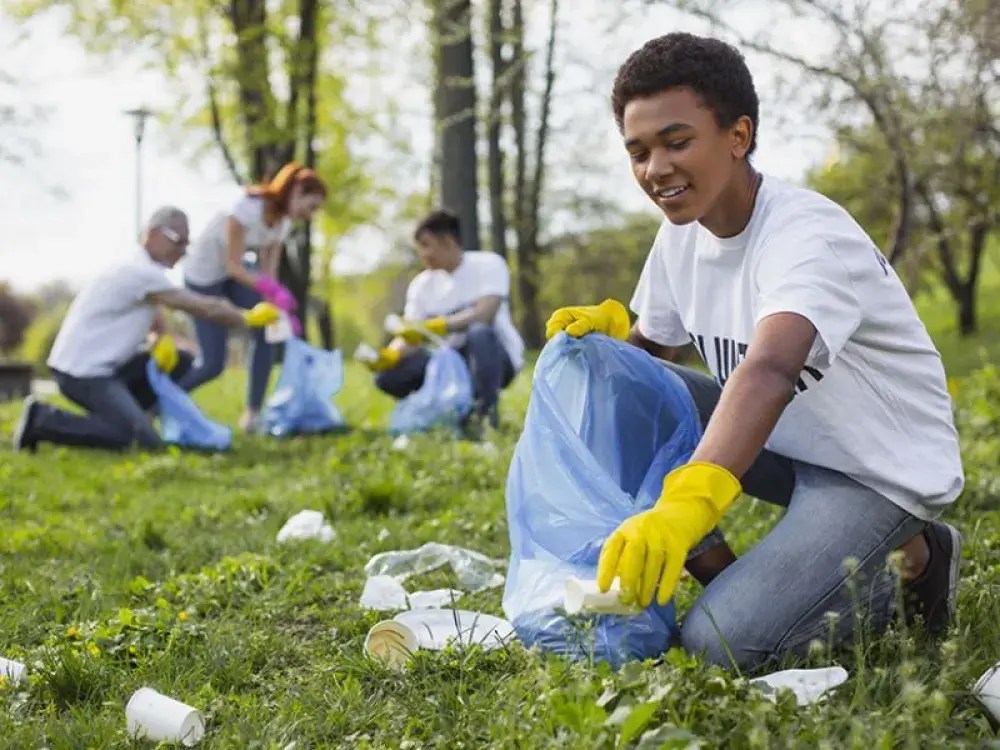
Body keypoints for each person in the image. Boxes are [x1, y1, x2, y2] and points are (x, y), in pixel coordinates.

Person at [545, 33, 964, 670]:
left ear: (738, 136)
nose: (656, 169)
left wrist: (685, 505)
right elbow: (644, 370)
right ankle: (727, 579)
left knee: (719, 644)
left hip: (873, 469)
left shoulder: (804, 234)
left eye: (677, 142)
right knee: (615, 381)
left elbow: (769, 369)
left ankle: (919, 560)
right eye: (639, 151)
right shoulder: (680, 236)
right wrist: (608, 346)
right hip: (786, 446)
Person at [12, 206, 281, 452]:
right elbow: (203, 307)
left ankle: (131, 416)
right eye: (179, 241)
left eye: (187, 244)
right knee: (138, 440)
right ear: (153, 234)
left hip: (107, 370)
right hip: (82, 374)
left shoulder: (142, 269)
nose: (183, 250)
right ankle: (43, 419)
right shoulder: (138, 271)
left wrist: (160, 336)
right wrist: (247, 318)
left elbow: (151, 312)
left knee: (182, 362)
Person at [179, 162, 327, 432]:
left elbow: (267, 273)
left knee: (269, 328)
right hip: (203, 278)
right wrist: (272, 291)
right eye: (311, 205)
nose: (310, 214)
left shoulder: (283, 224)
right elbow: (235, 264)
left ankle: (252, 414)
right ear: (295, 191)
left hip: (232, 276)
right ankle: (164, 399)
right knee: (213, 364)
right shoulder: (247, 207)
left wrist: (278, 308)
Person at [364, 209, 525, 430]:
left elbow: (485, 314)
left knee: (479, 333)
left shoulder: (488, 265)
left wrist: (439, 325)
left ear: (448, 241)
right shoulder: (422, 284)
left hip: (492, 358)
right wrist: (391, 355)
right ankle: (438, 412)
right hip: (447, 360)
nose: (422, 254)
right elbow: (411, 333)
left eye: (426, 245)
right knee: (388, 377)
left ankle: (484, 415)